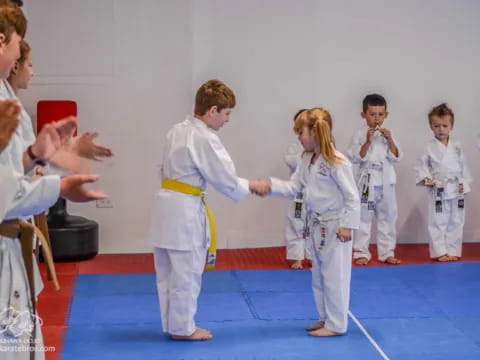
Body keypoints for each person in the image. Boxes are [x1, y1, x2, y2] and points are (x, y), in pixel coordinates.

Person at [148, 79, 260, 341]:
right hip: (184, 212)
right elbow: (226, 179)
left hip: (164, 206)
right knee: (186, 274)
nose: (227, 120)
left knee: (166, 273)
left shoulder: (176, 130)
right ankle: (184, 329)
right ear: (212, 111)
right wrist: (252, 185)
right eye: (226, 113)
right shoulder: (205, 138)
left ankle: (172, 325)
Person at [251, 108, 360, 336]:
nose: (299, 137)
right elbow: (293, 187)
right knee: (319, 276)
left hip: (336, 225)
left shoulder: (337, 161)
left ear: (316, 133)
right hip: (316, 224)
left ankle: (337, 324)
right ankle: (324, 317)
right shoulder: (307, 159)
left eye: (301, 132)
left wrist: (347, 225)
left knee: (335, 277)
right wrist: (269, 187)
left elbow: (352, 196)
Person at [346, 94, 402, 265]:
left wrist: (390, 139)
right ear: (363, 115)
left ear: (386, 115)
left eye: (380, 114)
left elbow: (397, 157)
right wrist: (367, 142)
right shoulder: (359, 134)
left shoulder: (389, 135)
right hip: (367, 181)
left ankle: (387, 252)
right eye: (372, 114)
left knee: (388, 216)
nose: (376, 118)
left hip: (386, 179)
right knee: (363, 217)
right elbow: (354, 157)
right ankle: (361, 252)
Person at [414, 103, 472, 261]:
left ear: (451, 126)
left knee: (456, 220)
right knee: (437, 220)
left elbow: (464, 167)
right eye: (437, 126)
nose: (441, 129)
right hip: (438, 188)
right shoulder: (428, 147)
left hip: (456, 187)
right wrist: (427, 179)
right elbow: (421, 166)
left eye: (444, 125)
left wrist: (464, 183)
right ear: (431, 127)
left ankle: (453, 250)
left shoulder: (457, 147)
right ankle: (440, 251)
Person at [284, 108, 310, 269]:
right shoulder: (295, 147)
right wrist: (305, 154)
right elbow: (289, 161)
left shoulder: (321, 147)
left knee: (315, 224)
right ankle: (297, 257)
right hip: (299, 194)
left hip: (316, 193)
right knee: (296, 223)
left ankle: (313, 256)